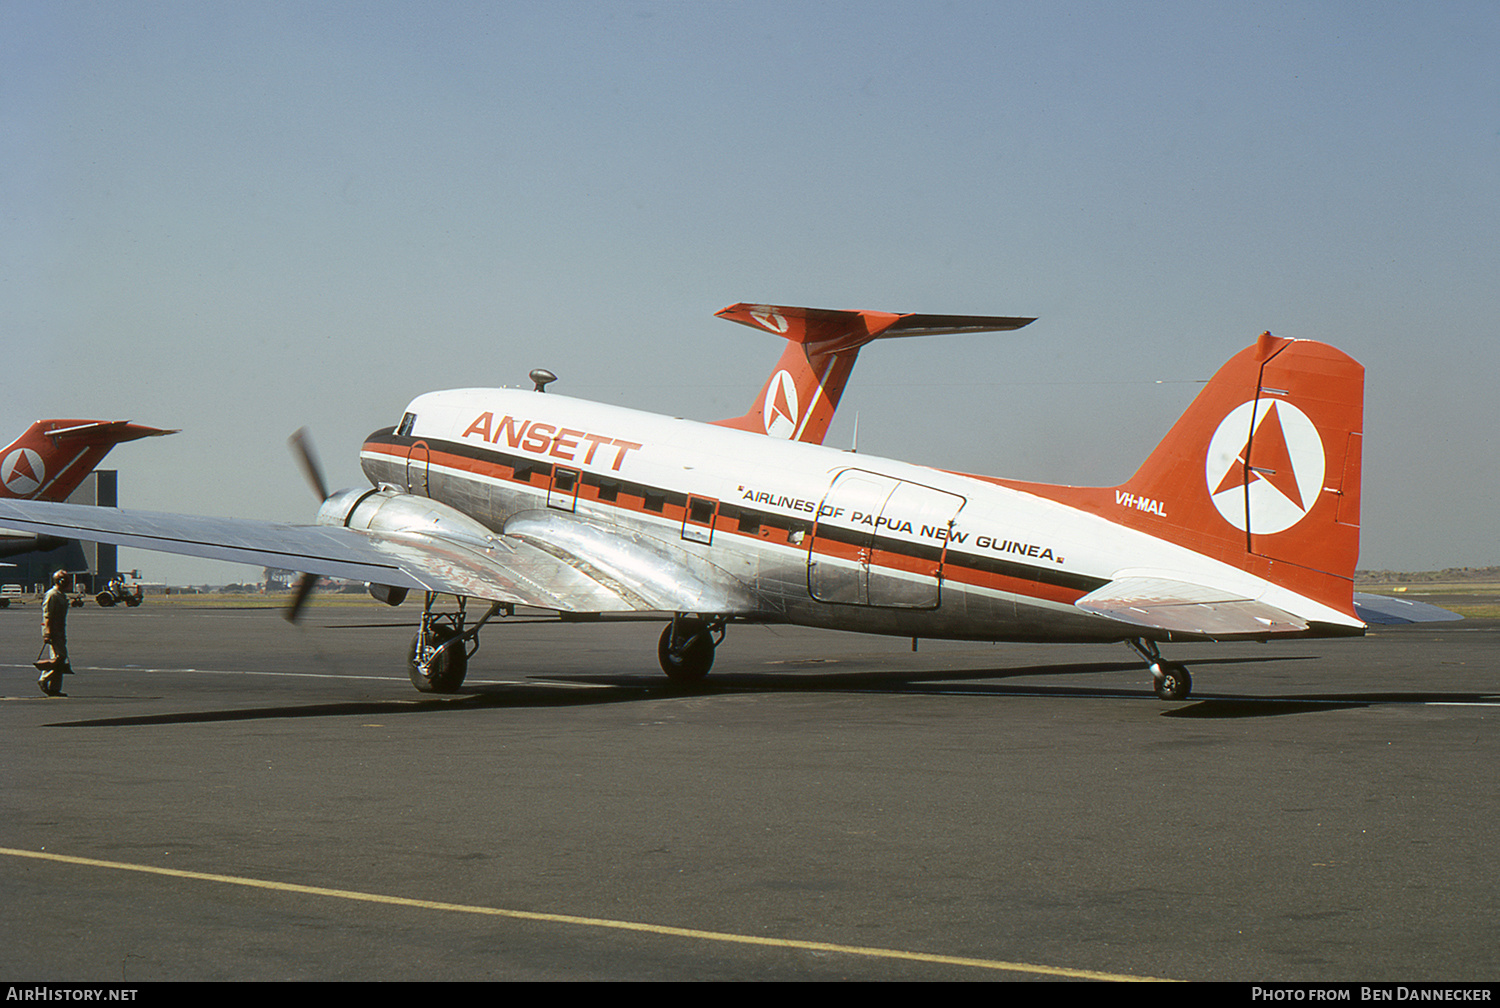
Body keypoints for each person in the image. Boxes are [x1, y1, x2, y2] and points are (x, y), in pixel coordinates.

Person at [36, 570, 71, 696]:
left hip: (60, 629)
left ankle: (55, 689)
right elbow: (47, 615)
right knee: (59, 657)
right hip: (53, 630)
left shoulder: (61, 595)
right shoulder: (52, 595)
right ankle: (44, 679)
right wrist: (47, 633)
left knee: (60, 658)